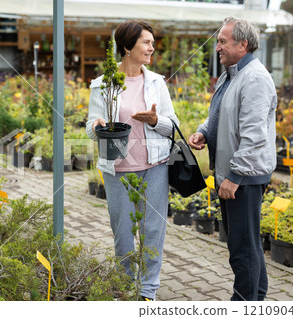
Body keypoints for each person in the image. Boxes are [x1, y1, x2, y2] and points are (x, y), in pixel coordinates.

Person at [86, 20, 179, 301]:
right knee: (123, 234)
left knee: (153, 231)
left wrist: (156, 120)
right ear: (127, 47)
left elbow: (173, 124)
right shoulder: (102, 84)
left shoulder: (156, 83)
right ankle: (126, 287)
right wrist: (97, 125)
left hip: (155, 167)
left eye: (152, 42)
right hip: (117, 169)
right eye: (146, 42)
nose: (152, 47)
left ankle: (148, 290)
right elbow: (91, 126)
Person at [189, 16, 277, 301]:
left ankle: (244, 303)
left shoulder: (256, 79)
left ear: (243, 44)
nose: (217, 47)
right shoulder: (233, 73)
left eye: (222, 41)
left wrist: (235, 177)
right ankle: (257, 297)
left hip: (245, 178)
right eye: (217, 41)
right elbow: (221, 113)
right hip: (234, 174)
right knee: (246, 244)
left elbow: (254, 136)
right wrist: (205, 131)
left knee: (241, 248)